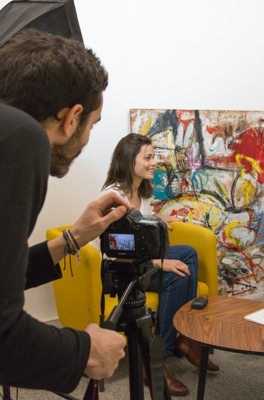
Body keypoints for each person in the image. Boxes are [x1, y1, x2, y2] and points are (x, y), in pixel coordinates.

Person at [0, 29, 133, 393]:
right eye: (93, 124)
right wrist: (86, 351)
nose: (87, 138)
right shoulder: (21, 135)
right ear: (72, 117)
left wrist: (74, 238)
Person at [99, 133, 220, 396]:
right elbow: (115, 248)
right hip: (124, 269)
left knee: (188, 254)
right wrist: (158, 262)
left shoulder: (143, 189)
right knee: (176, 274)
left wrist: (157, 218)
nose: (155, 162)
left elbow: (139, 228)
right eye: (148, 157)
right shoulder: (113, 195)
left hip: (143, 262)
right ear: (130, 160)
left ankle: (185, 339)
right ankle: (157, 357)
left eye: (154, 156)